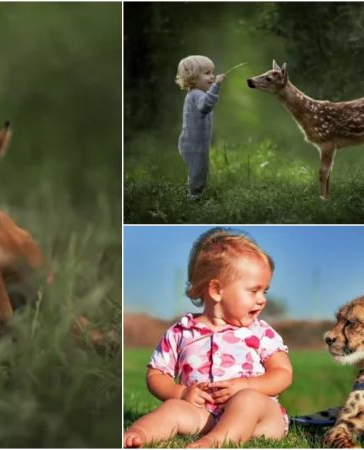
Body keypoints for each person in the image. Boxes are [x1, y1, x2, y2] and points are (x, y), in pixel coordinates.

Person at [123, 228, 292, 448]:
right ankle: (137, 434)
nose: (262, 300)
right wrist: (181, 392)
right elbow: (156, 374)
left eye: (265, 292)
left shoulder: (260, 332)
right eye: (253, 291)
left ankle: (215, 442)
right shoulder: (181, 332)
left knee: (247, 400)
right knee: (173, 408)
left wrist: (247, 385)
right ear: (216, 290)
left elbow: (283, 373)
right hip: (204, 415)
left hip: (259, 418)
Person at [175, 55, 226, 200]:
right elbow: (206, 106)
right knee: (197, 171)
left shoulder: (198, 94)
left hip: (197, 144)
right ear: (193, 77)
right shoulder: (196, 94)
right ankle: (194, 197)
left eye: (212, 72)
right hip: (192, 145)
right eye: (207, 73)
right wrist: (216, 86)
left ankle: (198, 192)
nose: (212, 76)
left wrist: (214, 87)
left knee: (200, 170)